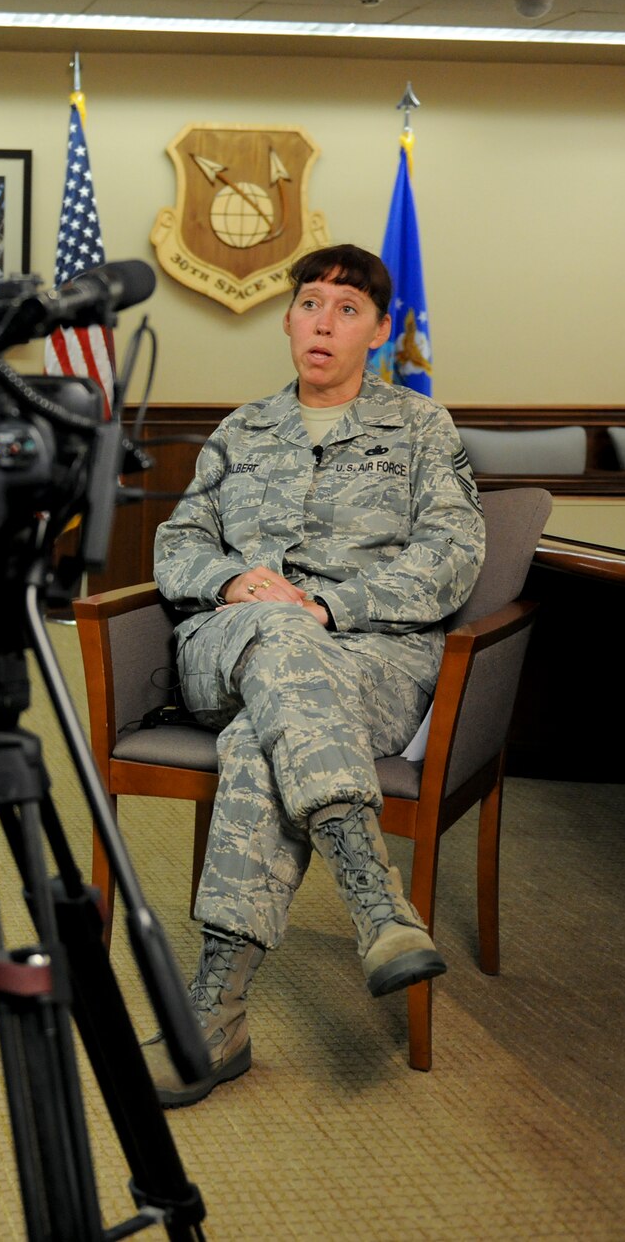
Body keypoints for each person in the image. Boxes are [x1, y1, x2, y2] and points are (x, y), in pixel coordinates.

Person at [142, 243, 486, 1107]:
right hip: (231, 639)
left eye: (345, 308)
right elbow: (177, 543)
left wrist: (335, 605)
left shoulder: (420, 429)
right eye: (308, 304)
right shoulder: (240, 430)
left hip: (372, 655)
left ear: (377, 329)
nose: (322, 322)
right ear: (289, 318)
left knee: (264, 736)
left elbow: (454, 556)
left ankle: (213, 1014)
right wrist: (229, 582)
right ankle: (375, 899)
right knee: (277, 636)